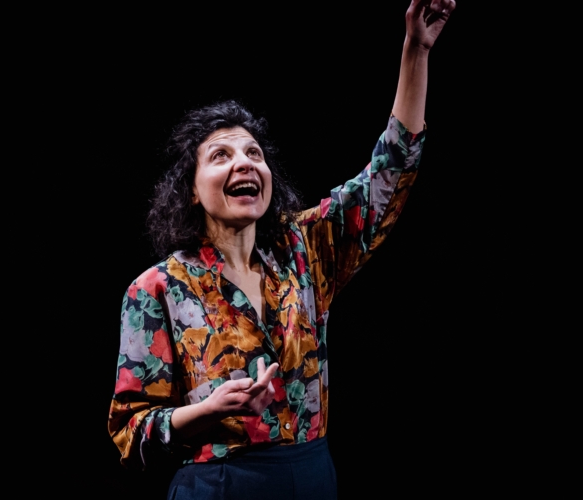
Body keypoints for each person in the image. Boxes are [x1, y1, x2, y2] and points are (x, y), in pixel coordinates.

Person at [108, 1, 455, 498]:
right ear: (191, 188)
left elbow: (389, 173)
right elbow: (130, 434)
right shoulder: (155, 289)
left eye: (254, 153)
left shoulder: (303, 250)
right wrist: (209, 410)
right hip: (219, 483)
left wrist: (415, 51)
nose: (245, 163)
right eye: (221, 155)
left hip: (310, 475)